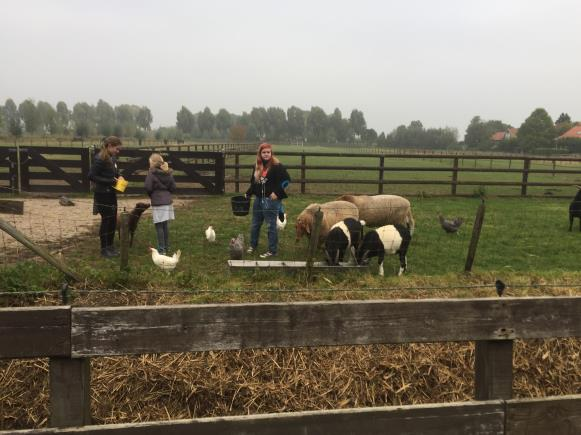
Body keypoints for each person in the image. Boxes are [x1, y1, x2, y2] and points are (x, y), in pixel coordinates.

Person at [245, 142, 290, 258]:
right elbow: (254, 183)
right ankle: (253, 245)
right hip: (259, 199)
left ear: (271, 153)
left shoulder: (277, 166)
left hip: (271, 200)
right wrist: (248, 193)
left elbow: (286, 180)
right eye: (263, 152)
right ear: (260, 153)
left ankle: (272, 250)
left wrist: (277, 192)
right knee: (255, 224)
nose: (266, 154)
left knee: (271, 226)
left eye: (268, 152)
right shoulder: (257, 166)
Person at [88, 136, 124, 258]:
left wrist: (119, 176)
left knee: (113, 220)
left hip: (111, 193)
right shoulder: (99, 159)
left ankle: (111, 246)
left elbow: (114, 172)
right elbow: (91, 176)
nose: (118, 151)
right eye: (116, 149)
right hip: (102, 194)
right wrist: (108, 181)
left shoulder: (112, 158)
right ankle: (104, 249)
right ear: (109, 146)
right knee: (106, 220)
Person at [144, 153, 176, 255]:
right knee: (165, 225)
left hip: (158, 202)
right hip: (168, 202)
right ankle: (166, 247)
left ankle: (161, 250)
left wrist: (152, 195)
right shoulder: (168, 173)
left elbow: (148, 187)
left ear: (153, 163)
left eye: (150, 163)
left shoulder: (151, 173)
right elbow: (173, 187)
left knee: (159, 226)